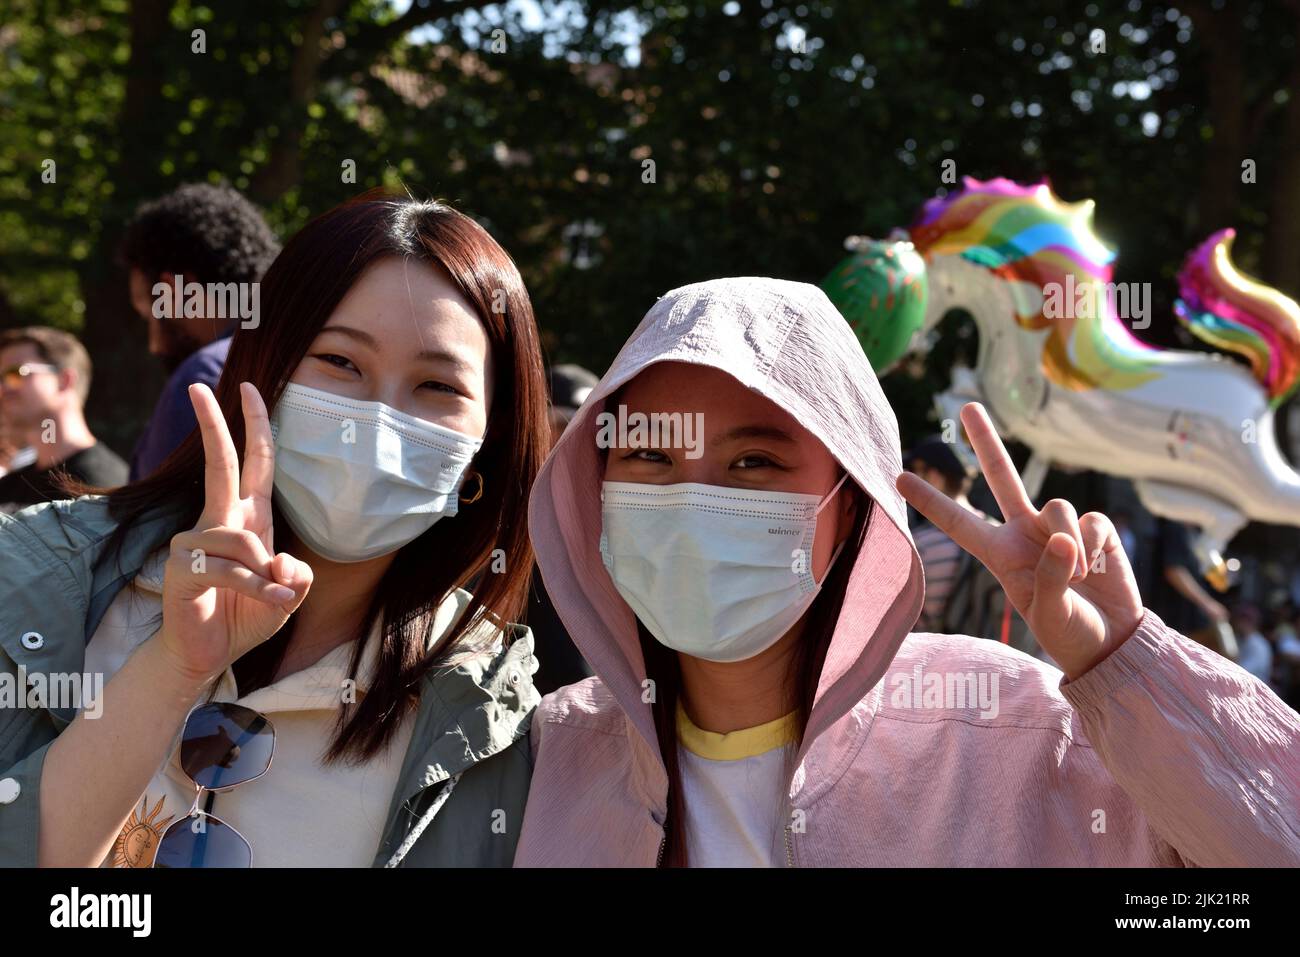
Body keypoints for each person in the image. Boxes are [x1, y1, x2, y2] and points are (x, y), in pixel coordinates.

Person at [514, 277, 1299, 867]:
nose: (696, 500)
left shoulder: (1013, 728)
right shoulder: (545, 756)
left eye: (754, 461)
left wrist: (1130, 669)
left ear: (850, 507)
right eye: (650, 456)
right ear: (597, 492)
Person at [0, 192, 550, 867]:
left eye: (438, 386)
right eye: (341, 362)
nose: (375, 423)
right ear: (266, 364)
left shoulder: (490, 710)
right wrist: (174, 666)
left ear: (487, 445)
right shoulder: (36, 579)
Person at [121, 183, 281, 480]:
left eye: (149, 314)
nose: (154, 346)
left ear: (172, 290)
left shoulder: (203, 378)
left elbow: (152, 523)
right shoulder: (309, 356)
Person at [0, 327, 128, 511]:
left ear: (64, 380)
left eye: (14, 374)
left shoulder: (106, 487)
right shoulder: (8, 487)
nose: (3, 389)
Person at [1148, 516, 1236, 660]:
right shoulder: (1174, 528)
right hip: (1174, 622)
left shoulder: (1194, 533)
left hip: (1188, 623)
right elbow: (1174, 571)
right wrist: (1208, 604)